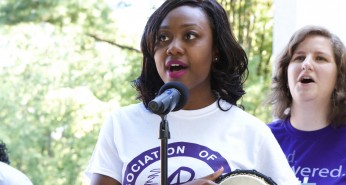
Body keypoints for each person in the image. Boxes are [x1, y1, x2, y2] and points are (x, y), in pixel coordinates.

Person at [85, 0, 299, 184]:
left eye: (190, 35)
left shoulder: (251, 132)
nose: (173, 48)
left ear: (215, 49)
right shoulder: (121, 124)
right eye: (162, 37)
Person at [266, 25, 346, 185]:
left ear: (339, 76)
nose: (306, 64)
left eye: (320, 58)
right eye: (299, 58)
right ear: (286, 72)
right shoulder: (262, 138)